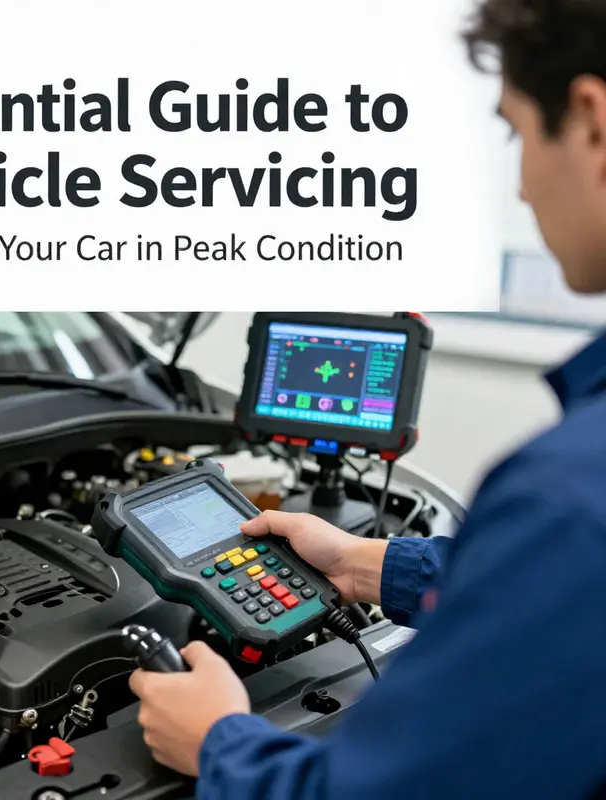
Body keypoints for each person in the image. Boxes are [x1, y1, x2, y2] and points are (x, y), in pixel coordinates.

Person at [127, 0, 606, 797]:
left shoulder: (568, 500)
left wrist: (219, 743)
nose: (521, 184)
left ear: (591, 122)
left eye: (517, 133)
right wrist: (363, 564)